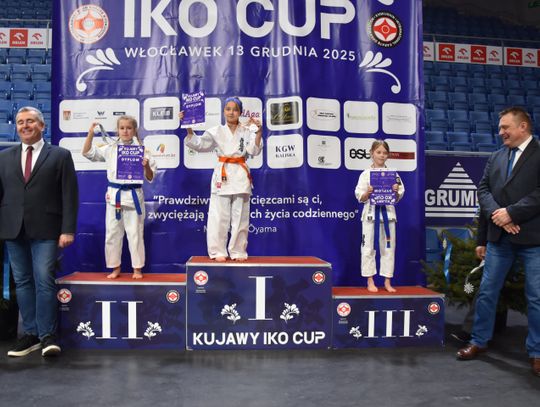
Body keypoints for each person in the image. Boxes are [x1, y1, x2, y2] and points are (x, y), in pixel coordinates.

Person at [456, 106, 540, 378]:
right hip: (499, 238)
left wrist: (511, 213)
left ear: (522, 127)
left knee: (537, 297)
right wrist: (498, 218)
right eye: (500, 127)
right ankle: (479, 340)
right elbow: (483, 191)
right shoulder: (496, 156)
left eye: (505, 127)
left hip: (534, 240)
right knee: (487, 291)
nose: (500, 131)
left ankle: (537, 352)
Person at [0, 106, 78, 357]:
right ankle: (31, 334)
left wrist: (68, 229)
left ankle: (47, 336)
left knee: (43, 279)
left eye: (30, 121)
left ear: (42, 126)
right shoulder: (4, 157)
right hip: (12, 228)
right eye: (20, 122)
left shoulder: (60, 155)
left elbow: (69, 195)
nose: (25, 126)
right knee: (22, 282)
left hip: (47, 229)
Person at [179, 96, 263, 261]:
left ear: (240, 112)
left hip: (240, 174)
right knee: (218, 216)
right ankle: (218, 251)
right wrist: (188, 126)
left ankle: (238, 251)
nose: (231, 112)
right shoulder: (216, 131)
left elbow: (253, 150)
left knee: (240, 216)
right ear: (224, 111)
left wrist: (259, 132)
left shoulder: (247, 130)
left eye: (235, 110)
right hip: (222, 175)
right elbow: (199, 144)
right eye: (228, 109)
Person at [82, 116, 157, 279]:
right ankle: (115, 268)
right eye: (122, 128)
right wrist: (90, 134)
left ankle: (137, 269)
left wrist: (146, 167)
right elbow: (87, 153)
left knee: (135, 234)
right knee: (112, 234)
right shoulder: (110, 148)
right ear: (117, 130)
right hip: (114, 196)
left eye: (129, 128)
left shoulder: (143, 150)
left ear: (134, 130)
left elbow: (150, 177)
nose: (125, 131)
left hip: (133, 196)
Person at [354, 140, 405, 293]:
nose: (382, 155)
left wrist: (395, 191)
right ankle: (370, 281)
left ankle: (387, 281)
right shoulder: (365, 174)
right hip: (370, 216)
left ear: (388, 155)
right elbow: (359, 196)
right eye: (378, 152)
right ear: (372, 153)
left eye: (384, 153)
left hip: (388, 216)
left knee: (388, 248)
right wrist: (367, 192)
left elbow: (399, 195)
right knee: (367, 248)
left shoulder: (393, 175)